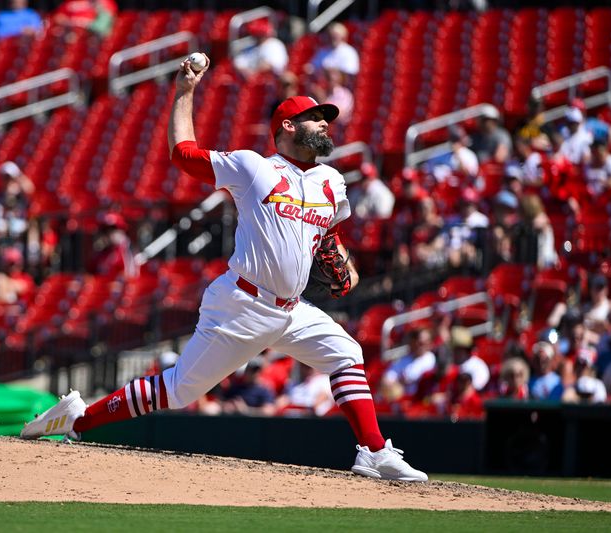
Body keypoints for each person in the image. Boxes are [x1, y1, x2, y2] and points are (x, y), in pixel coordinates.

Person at [21, 54, 428, 482]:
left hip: (292, 310)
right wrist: (185, 91)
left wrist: (343, 263)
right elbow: (183, 154)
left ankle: (374, 452)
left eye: (327, 118)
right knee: (178, 390)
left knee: (347, 354)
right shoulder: (254, 166)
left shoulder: (332, 180)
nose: (326, 123)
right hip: (242, 305)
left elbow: (327, 235)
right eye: (315, 117)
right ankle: (77, 420)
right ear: (287, 126)